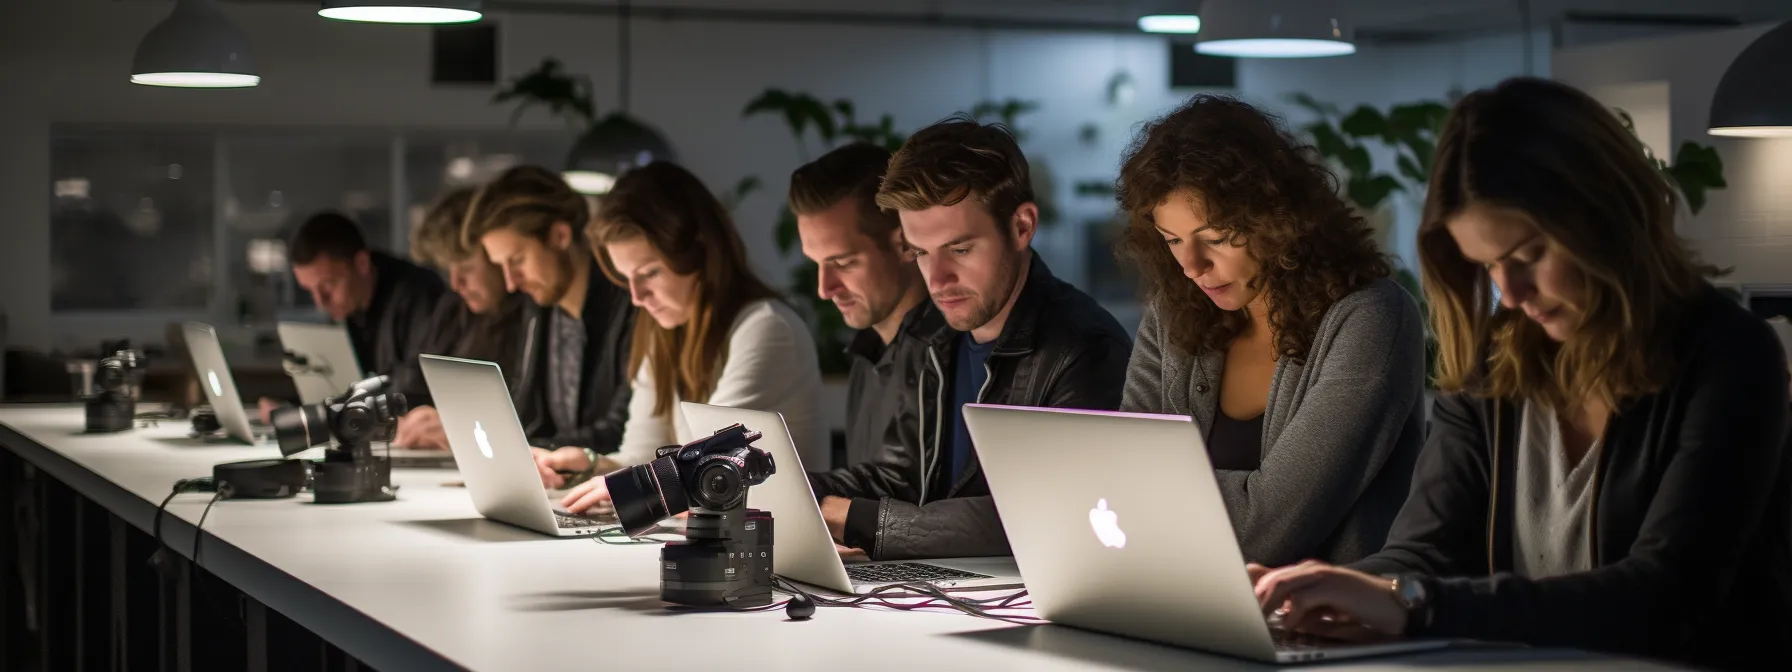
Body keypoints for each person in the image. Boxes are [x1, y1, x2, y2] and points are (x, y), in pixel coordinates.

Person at [1251, 78, 1792, 670]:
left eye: (1528, 258)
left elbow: (1664, 597)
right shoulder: (1497, 362)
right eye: (1489, 268)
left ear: (1603, 216)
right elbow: (1426, 552)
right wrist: (1311, 593)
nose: (1510, 296)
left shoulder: (1733, 355)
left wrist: (1410, 602)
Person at [1115, 95, 1426, 566]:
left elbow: (1264, 529)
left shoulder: (1371, 318)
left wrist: (1149, 495)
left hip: (1324, 625)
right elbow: (1119, 477)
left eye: (1215, 239)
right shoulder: (1171, 312)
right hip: (1183, 596)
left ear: (1277, 221)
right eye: (1172, 241)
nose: (1191, 267)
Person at [806, 117, 1133, 561]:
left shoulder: (1084, 350)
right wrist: (785, 493)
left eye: (959, 249)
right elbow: (901, 477)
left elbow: (1045, 517)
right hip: (940, 592)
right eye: (921, 253)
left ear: (1021, 226)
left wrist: (865, 522)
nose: (937, 279)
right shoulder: (927, 337)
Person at [553, 161, 826, 503]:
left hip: (769, 546)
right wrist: (588, 465)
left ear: (699, 252)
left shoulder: (767, 327)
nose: (637, 297)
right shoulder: (664, 333)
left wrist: (622, 485)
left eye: (650, 273)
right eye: (627, 278)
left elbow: (705, 466)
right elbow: (643, 457)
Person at [462, 165, 635, 487]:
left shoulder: (631, 303)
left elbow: (619, 430)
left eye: (517, 261)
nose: (511, 283)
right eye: (501, 267)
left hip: (603, 490)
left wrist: (537, 452)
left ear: (560, 235)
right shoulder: (539, 307)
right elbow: (527, 414)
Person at [790, 143, 930, 469]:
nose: (825, 289)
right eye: (818, 264)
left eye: (843, 262)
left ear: (906, 243)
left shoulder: (947, 360)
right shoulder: (866, 356)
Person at [263, 212, 445, 419]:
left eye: (329, 285)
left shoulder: (418, 294)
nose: (320, 302)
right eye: (310, 290)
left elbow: (415, 388)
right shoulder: (350, 306)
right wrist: (297, 409)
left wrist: (324, 415)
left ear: (361, 264)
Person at [391, 186, 529, 451]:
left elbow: (531, 420)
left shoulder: (533, 319)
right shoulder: (453, 309)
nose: (455, 283)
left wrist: (460, 427)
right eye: (447, 269)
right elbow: (413, 384)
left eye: (466, 268)